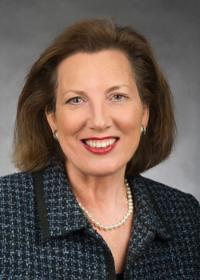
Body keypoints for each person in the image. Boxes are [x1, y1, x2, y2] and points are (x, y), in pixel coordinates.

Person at [0, 18, 199, 280]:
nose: (99, 121)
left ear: (145, 113)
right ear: (53, 120)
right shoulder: (4, 211)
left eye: (117, 97)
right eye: (76, 100)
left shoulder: (186, 216)